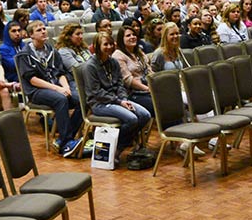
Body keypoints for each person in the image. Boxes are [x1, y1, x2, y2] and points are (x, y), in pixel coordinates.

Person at [16, 21, 83, 155]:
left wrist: (65, 86)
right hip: (36, 91)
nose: (43, 31)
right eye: (39, 30)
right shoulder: (24, 54)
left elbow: (60, 73)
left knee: (82, 100)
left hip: (56, 87)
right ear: (31, 35)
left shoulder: (52, 50)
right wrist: (57, 89)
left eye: (44, 29)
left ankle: (63, 139)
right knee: (60, 99)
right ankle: (67, 141)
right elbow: (32, 80)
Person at [84, 30, 151, 160]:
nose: (109, 47)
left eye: (110, 44)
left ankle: (118, 145)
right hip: (99, 103)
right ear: (97, 47)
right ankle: (117, 149)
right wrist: (120, 102)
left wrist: (124, 99)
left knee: (145, 115)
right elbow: (96, 92)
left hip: (118, 100)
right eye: (105, 44)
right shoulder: (90, 66)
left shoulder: (113, 62)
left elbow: (120, 84)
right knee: (132, 119)